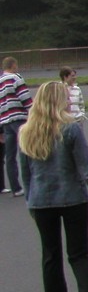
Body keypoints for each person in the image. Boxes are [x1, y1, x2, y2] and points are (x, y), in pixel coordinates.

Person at [17, 81, 88, 292]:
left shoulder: (26, 131)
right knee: (79, 255)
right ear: (59, 100)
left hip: (41, 201)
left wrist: (30, 201)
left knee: (50, 255)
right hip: (73, 198)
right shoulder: (70, 129)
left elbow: (25, 174)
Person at [1, 56, 33, 197]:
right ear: (14, 65)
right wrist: (33, 112)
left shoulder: (0, 80)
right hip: (19, 118)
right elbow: (25, 98)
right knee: (25, 152)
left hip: (5, 120)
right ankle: (29, 184)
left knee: (10, 156)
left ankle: (16, 188)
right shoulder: (15, 78)